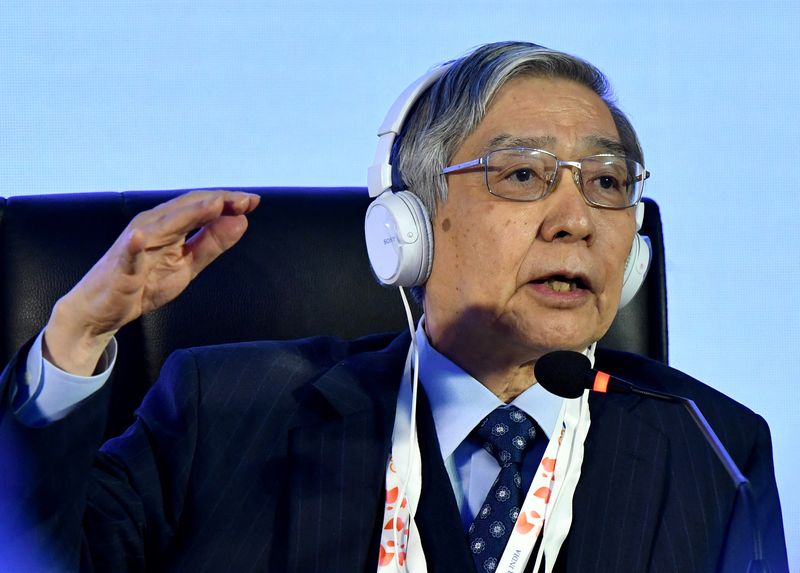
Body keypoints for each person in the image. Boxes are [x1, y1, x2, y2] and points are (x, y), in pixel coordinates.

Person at [0, 41, 788, 573]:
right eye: (523, 175)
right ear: (410, 228)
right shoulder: (226, 412)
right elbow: (39, 555)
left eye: (608, 183)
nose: (576, 217)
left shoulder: (713, 450)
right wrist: (80, 334)